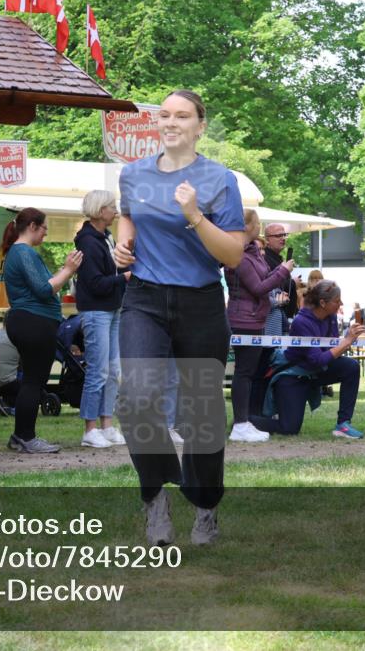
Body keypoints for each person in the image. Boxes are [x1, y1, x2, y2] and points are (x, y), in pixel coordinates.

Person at [113, 89, 246, 547]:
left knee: (203, 413)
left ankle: (205, 507)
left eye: (182, 116)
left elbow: (231, 254)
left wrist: (193, 215)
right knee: (136, 398)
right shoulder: (133, 175)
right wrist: (122, 245)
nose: (171, 122)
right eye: (165, 115)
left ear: (199, 126)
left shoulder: (219, 179)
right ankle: (156, 498)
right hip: (145, 299)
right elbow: (128, 217)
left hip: (202, 301)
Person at [2, 207, 81, 454]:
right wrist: (68, 270)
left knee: (33, 381)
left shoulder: (22, 253)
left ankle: (20, 437)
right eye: (45, 228)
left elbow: (45, 285)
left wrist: (65, 271)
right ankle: (26, 437)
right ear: (33, 226)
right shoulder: (23, 251)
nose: (46, 234)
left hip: (31, 322)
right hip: (32, 322)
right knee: (34, 382)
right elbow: (43, 289)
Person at [263, 281, 365, 437]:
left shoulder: (331, 316)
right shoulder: (301, 322)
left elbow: (328, 351)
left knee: (351, 367)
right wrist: (346, 342)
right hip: (294, 375)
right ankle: (247, 423)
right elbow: (317, 359)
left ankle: (343, 424)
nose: (341, 303)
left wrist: (345, 342)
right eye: (337, 300)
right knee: (289, 428)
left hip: (315, 371)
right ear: (322, 303)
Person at [225, 208, 292, 442]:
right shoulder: (238, 255)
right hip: (243, 319)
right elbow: (258, 287)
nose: (259, 227)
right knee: (244, 373)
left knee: (249, 373)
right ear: (247, 226)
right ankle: (241, 424)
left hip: (255, 319)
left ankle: (246, 421)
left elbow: (262, 279)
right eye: (257, 223)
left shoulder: (254, 252)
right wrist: (283, 271)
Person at [73, 190, 128, 449]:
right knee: (98, 370)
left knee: (113, 370)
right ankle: (90, 428)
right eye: (111, 207)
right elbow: (95, 283)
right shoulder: (88, 242)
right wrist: (124, 278)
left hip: (112, 309)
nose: (115, 211)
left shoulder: (105, 237)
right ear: (100, 210)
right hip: (96, 311)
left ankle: (106, 425)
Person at [262, 222, 296, 332]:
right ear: (266, 239)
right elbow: (269, 284)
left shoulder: (277, 258)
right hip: (269, 317)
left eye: (284, 235)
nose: (283, 238)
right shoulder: (265, 258)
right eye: (278, 236)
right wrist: (293, 282)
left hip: (279, 314)